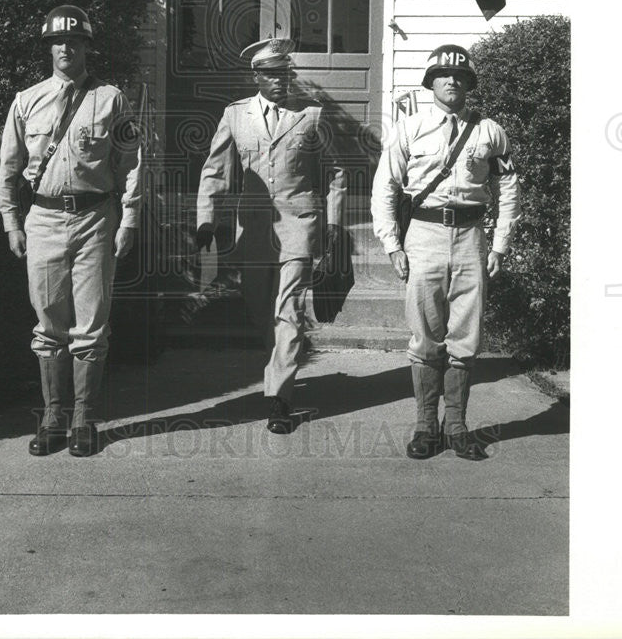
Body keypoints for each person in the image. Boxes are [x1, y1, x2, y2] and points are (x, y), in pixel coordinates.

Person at [0, 5, 140, 457]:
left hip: (95, 220)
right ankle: (53, 418)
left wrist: (130, 219)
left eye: (74, 42)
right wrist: (11, 222)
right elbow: (8, 168)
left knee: (92, 326)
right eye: (57, 42)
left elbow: (132, 164)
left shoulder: (111, 99)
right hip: (41, 220)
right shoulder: (27, 101)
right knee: (48, 325)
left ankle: (85, 420)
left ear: (86, 47)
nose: (65, 48)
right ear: (49, 48)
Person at [371, 44, 521, 460]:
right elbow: (385, 187)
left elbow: (508, 190)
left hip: (471, 236)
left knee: (466, 336)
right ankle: (425, 426)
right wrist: (392, 245)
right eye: (443, 75)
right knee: (425, 335)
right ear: (431, 82)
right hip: (424, 235)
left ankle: (455, 426)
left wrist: (501, 244)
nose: (451, 81)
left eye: (459, 76)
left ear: (468, 84)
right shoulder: (410, 128)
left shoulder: (490, 130)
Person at [195, 37, 346, 433]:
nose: (281, 81)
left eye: (285, 73)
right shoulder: (235, 116)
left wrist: (332, 223)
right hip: (255, 229)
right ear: (256, 76)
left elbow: (335, 173)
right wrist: (206, 221)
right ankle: (279, 366)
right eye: (271, 74)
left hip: (300, 223)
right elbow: (215, 171)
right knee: (261, 306)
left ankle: (279, 398)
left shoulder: (311, 116)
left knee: (289, 310)